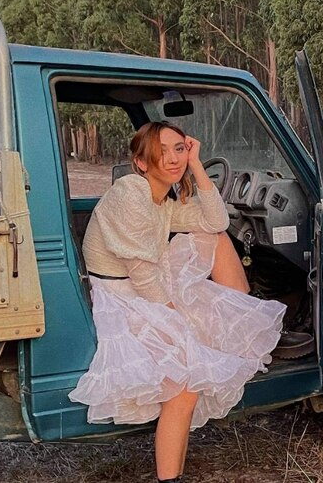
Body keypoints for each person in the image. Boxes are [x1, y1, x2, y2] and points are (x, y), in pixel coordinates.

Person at [68, 122, 286, 482]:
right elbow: (141, 275)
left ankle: (241, 312)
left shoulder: (161, 199)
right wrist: (176, 322)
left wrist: (198, 164)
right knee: (184, 385)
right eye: (161, 151)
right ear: (140, 162)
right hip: (120, 296)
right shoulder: (130, 194)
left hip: (143, 283)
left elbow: (216, 220)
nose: (172, 158)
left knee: (215, 237)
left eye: (178, 149)